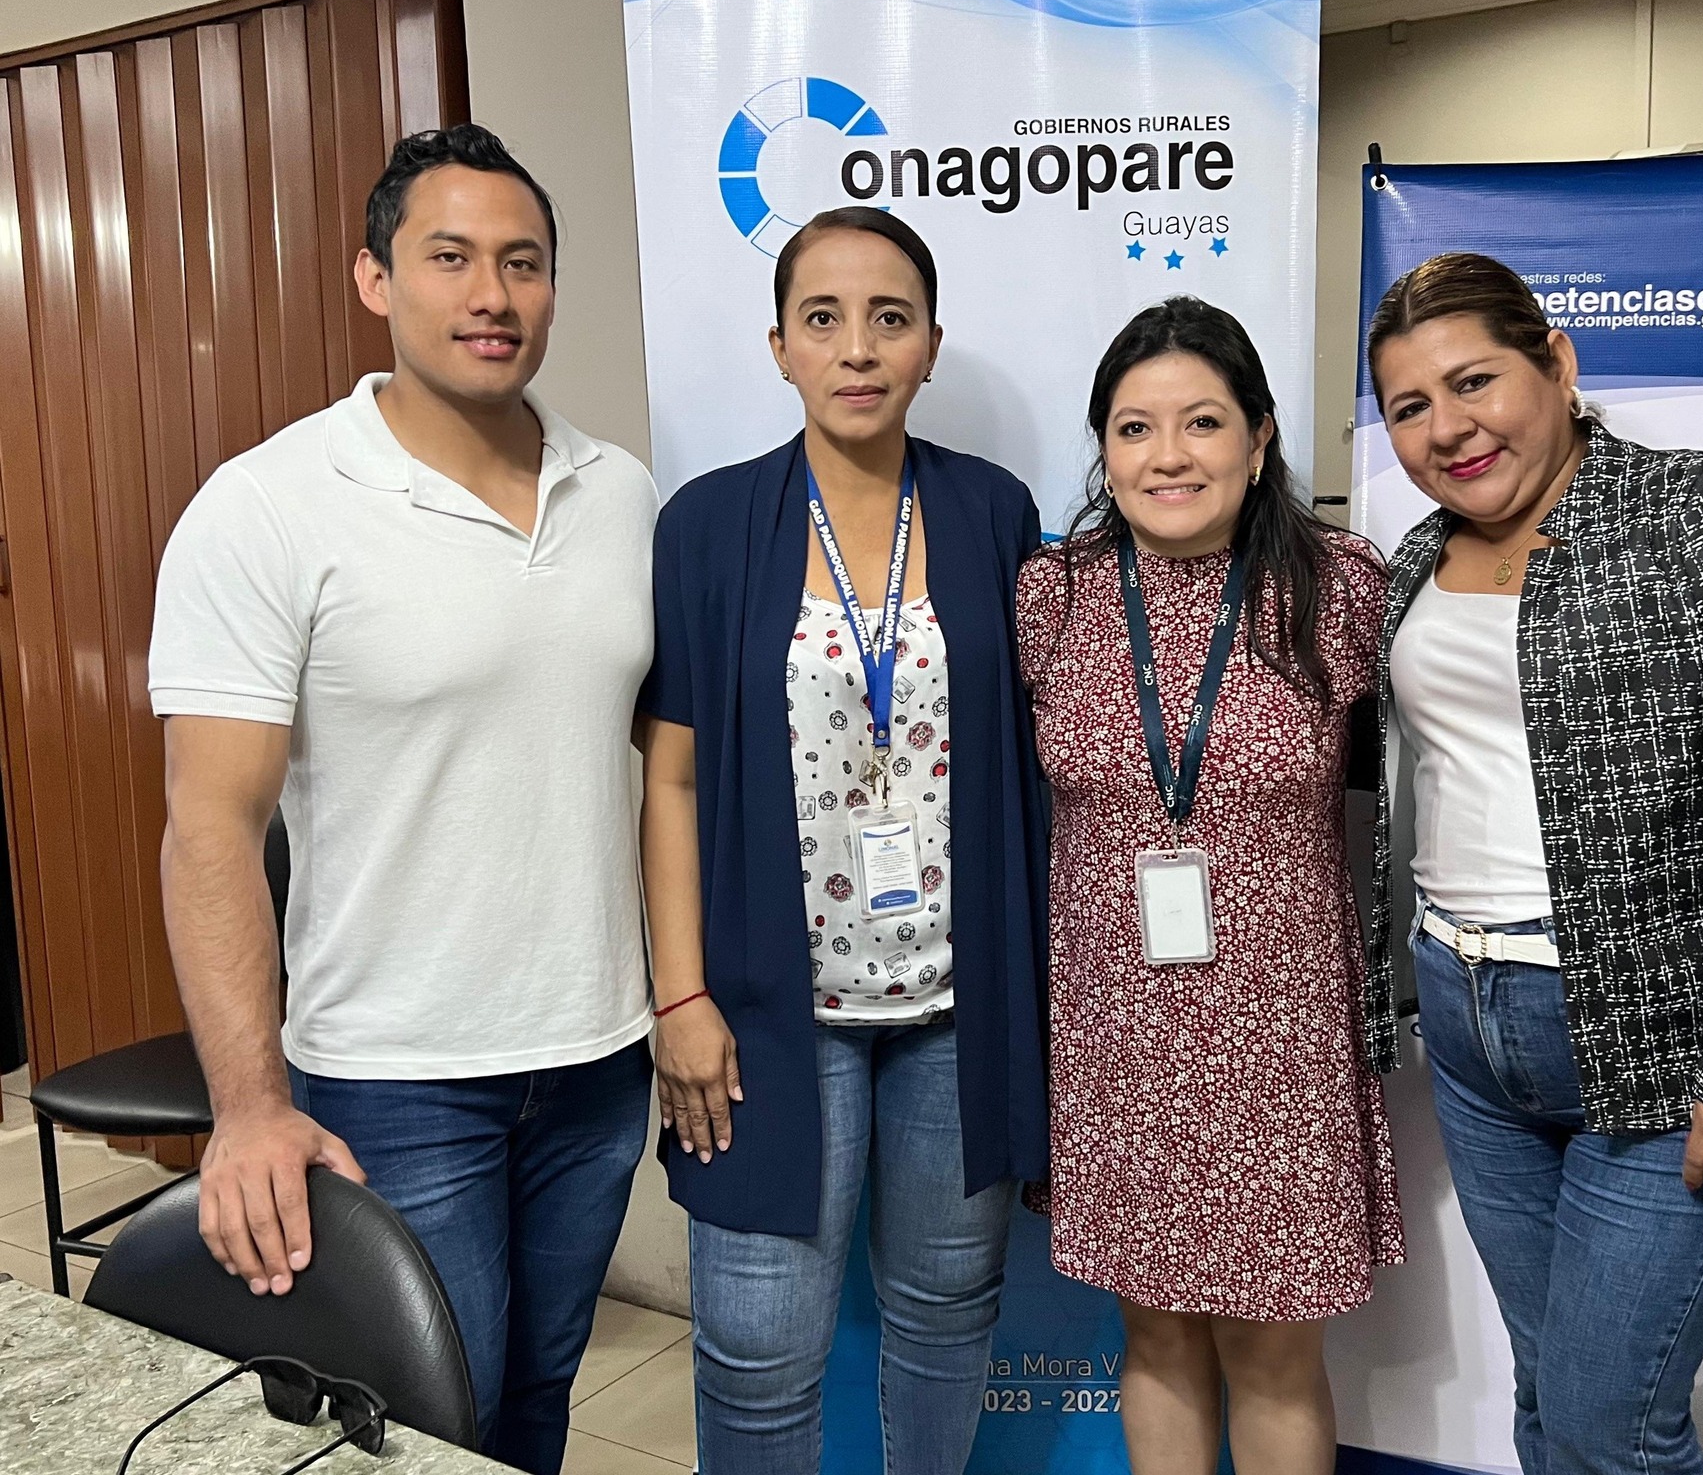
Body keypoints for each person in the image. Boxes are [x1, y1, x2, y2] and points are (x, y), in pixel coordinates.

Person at [149, 125, 655, 1475]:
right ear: (374, 278)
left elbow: (670, 768)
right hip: (395, 1076)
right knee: (429, 1426)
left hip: (597, 1056)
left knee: (536, 1397)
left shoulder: (622, 496)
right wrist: (248, 1105)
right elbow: (207, 828)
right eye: (450, 258)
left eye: (523, 263)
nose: (492, 294)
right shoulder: (269, 507)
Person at [1365, 251, 1703, 1475]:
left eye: (1474, 382)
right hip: (1468, 1020)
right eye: (1408, 406)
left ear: (1555, 362)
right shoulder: (1412, 560)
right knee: (1549, 1397)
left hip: (1673, 1041)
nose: (1447, 429)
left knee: (1610, 1423)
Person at [636, 206, 1047, 1474]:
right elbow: (671, 780)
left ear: (930, 344)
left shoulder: (991, 513)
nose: (856, 348)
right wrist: (679, 997)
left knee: (945, 1316)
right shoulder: (707, 526)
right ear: (778, 347)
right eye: (822, 319)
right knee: (755, 1353)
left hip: (956, 1010)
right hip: (768, 1010)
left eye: (889, 318)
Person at [1015, 296, 1403, 1475]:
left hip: (1281, 1039)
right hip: (1116, 1034)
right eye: (1134, 429)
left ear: (1258, 435)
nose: (1168, 456)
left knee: (1274, 1350)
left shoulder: (1340, 585)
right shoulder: (1053, 594)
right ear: (1103, 447)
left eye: (1201, 422)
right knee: (1156, 1335)